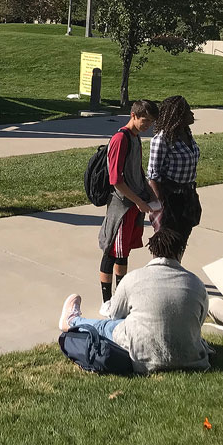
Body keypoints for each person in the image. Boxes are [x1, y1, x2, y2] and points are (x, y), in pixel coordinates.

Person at [58, 228, 210, 374]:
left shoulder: (133, 278)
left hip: (142, 359)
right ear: (181, 252)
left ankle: (72, 321)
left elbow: (115, 314)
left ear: (153, 251)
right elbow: (198, 321)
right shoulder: (196, 284)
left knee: (107, 326)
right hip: (192, 359)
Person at [97, 99, 159, 315]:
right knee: (112, 251)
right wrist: (138, 201)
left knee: (123, 253)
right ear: (133, 115)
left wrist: (149, 194)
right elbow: (116, 180)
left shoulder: (135, 138)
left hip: (134, 204)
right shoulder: (120, 139)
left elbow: (137, 170)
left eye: (151, 122)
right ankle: (107, 301)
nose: (147, 125)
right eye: (145, 120)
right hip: (121, 206)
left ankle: (120, 297)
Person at [147, 95, 202, 249]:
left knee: (182, 240)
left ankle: (177, 266)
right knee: (168, 244)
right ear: (177, 116)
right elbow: (153, 175)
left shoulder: (187, 134)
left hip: (188, 194)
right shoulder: (162, 139)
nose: (192, 114)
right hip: (170, 198)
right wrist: (160, 206)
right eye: (188, 111)